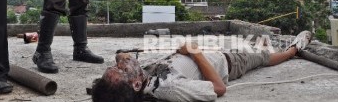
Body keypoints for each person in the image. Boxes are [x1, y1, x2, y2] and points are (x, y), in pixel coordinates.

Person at [91, 30, 312, 102]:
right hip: (227, 63)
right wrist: (195, 53)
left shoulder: (139, 81)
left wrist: (122, 58)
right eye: (121, 70)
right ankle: (294, 49)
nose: (121, 64)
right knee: (262, 56)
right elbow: (218, 89)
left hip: (207, 54)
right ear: (137, 83)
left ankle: (261, 44)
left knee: (252, 45)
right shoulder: (169, 88)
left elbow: (121, 56)